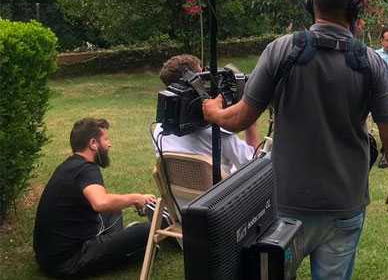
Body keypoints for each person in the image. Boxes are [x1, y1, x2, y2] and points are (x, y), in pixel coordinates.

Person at [202, 0, 388, 280]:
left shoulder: (281, 50)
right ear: (354, 10)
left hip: (288, 204)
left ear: (310, 5)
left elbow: (241, 118)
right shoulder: (371, 62)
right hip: (345, 205)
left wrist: (213, 113)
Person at [33, 118, 156, 278]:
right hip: (69, 261)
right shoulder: (87, 169)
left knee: (114, 211)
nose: (109, 144)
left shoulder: (69, 165)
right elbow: (101, 203)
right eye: (106, 139)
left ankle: (118, 243)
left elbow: (103, 203)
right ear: (93, 143)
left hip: (47, 256)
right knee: (148, 230)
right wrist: (135, 198)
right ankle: (127, 248)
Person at [153, 54, 257, 174]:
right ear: (193, 85)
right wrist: (250, 121)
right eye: (204, 79)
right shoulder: (219, 133)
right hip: (221, 192)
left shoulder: (160, 130)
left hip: (180, 192)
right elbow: (254, 166)